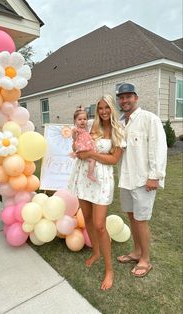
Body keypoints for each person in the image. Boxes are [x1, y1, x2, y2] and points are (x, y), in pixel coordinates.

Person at [68, 95, 125, 291]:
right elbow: (77, 145)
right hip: (83, 176)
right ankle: (96, 253)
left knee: (100, 225)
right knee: (89, 219)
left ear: (112, 108)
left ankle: (109, 270)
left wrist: (91, 154)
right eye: (100, 108)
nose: (103, 111)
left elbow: (114, 160)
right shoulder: (91, 125)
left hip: (102, 180)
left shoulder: (118, 131)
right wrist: (75, 144)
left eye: (106, 107)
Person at [116, 83, 167, 277]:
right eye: (121, 97)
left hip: (143, 180)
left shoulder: (149, 119)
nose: (125, 100)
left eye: (128, 96)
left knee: (141, 220)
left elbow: (158, 148)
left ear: (136, 97)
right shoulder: (120, 123)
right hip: (126, 179)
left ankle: (145, 259)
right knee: (131, 217)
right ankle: (136, 251)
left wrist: (154, 176)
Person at [70, 106, 96, 181]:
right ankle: (90, 174)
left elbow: (94, 121)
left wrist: (82, 109)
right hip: (82, 150)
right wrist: (74, 133)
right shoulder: (77, 130)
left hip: (86, 148)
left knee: (92, 159)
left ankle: (89, 173)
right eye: (79, 119)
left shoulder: (86, 129)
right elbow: (74, 138)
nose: (82, 121)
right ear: (75, 121)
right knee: (92, 160)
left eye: (84, 119)